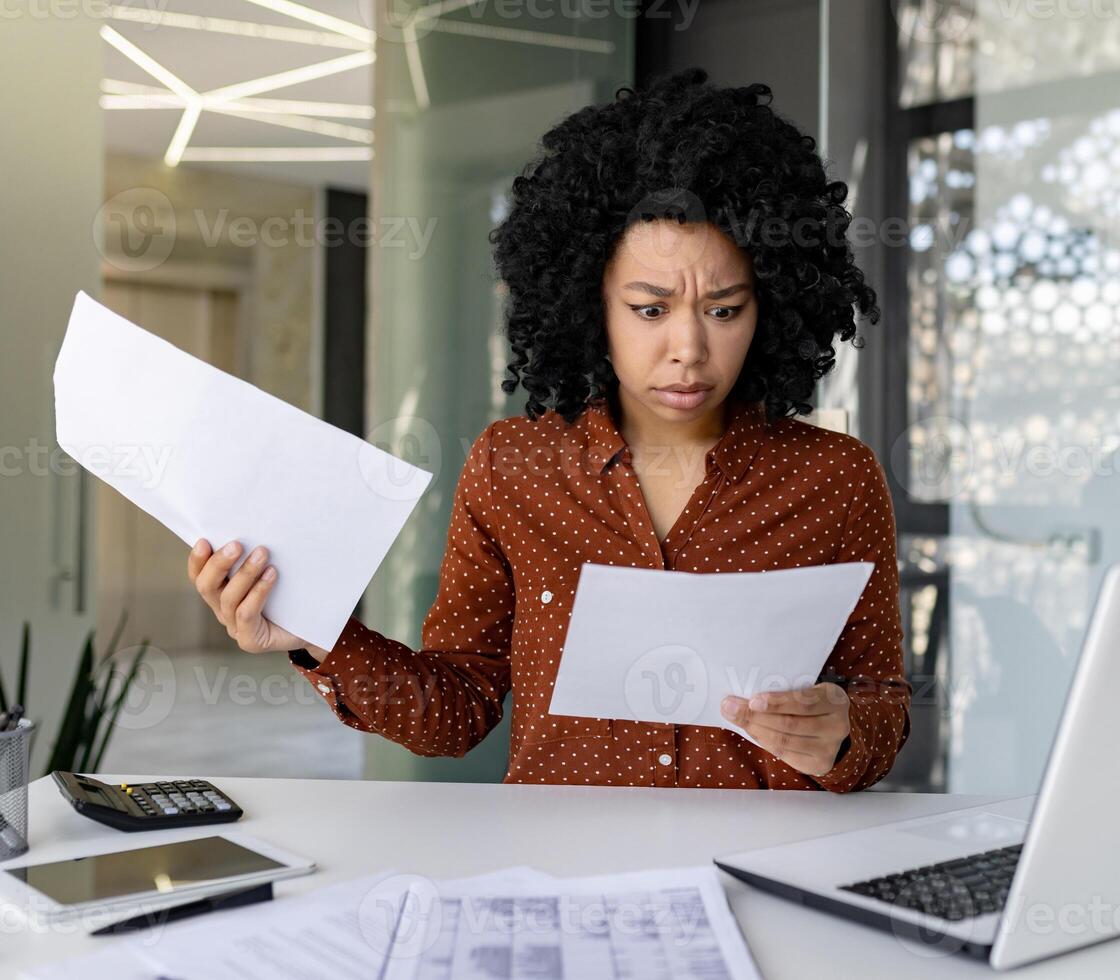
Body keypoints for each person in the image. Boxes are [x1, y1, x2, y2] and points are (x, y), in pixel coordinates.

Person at [185, 68, 911, 792]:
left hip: (764, 873)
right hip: (565, 882)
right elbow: (457, 712)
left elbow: (883, 704)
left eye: (724, 310)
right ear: (590, 301)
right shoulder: (511, 469)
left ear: (771, 306)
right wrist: (320, 637)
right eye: (650, 310)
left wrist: (847, 731)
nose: (688, 347)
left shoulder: (835, 480)